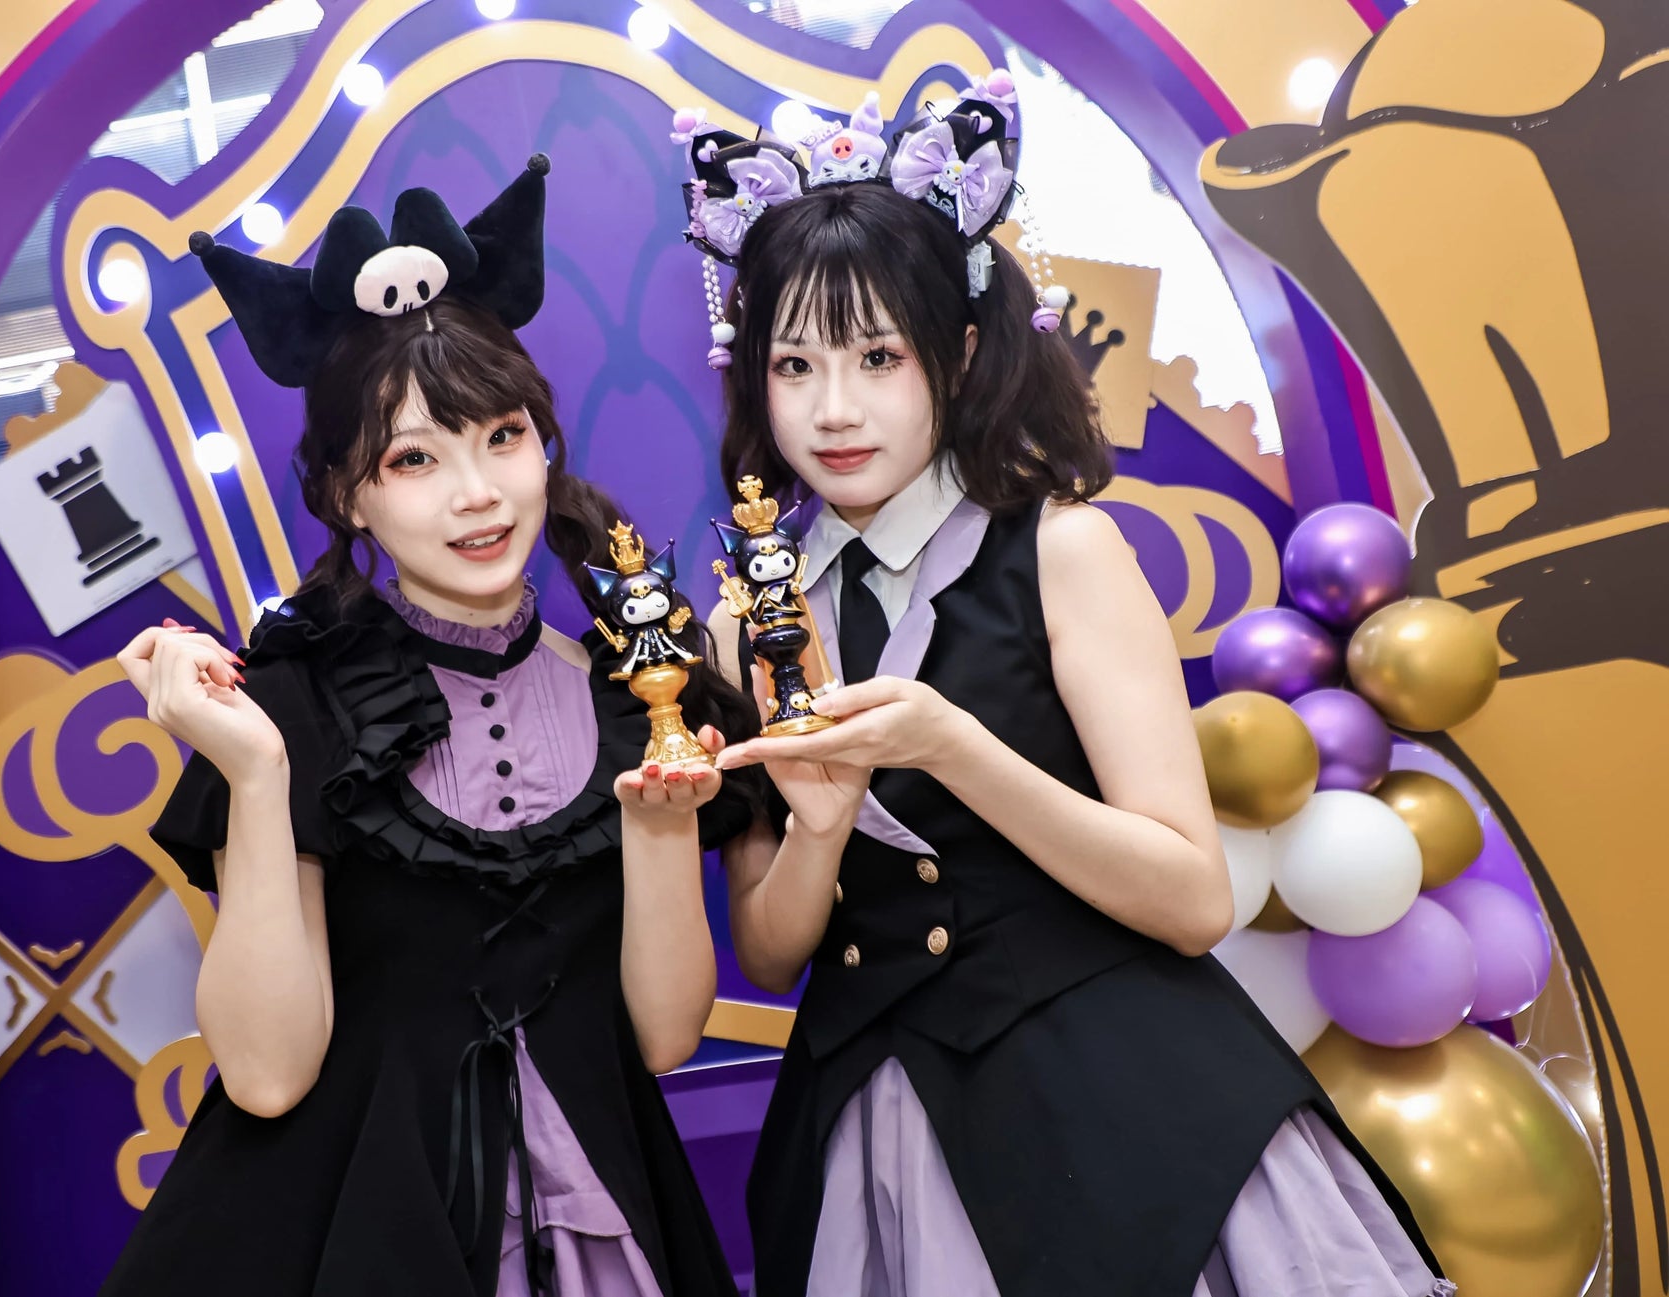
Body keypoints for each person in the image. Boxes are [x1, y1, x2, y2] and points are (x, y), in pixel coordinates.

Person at [670, 83, 1456, 1296]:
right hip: (880, 1132)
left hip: (1122, 1102)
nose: (833, 408)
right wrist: (820, 830)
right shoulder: (742, 624)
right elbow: (771, 958)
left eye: (877, 357)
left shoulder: (1061, 549)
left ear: (958, 352)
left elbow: (1192, 898)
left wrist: (953, 746)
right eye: (794, 363)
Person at [103, 156, 756, 1297]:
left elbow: (660, 1039)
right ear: (345, 494)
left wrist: (659, 830)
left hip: (600, 1227)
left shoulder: (635, 689)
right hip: (356, 1231)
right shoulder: (294, 707)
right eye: (415, 457)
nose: (477, 492)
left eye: (503, 435)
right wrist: (255, 776)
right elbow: (264, 1074)